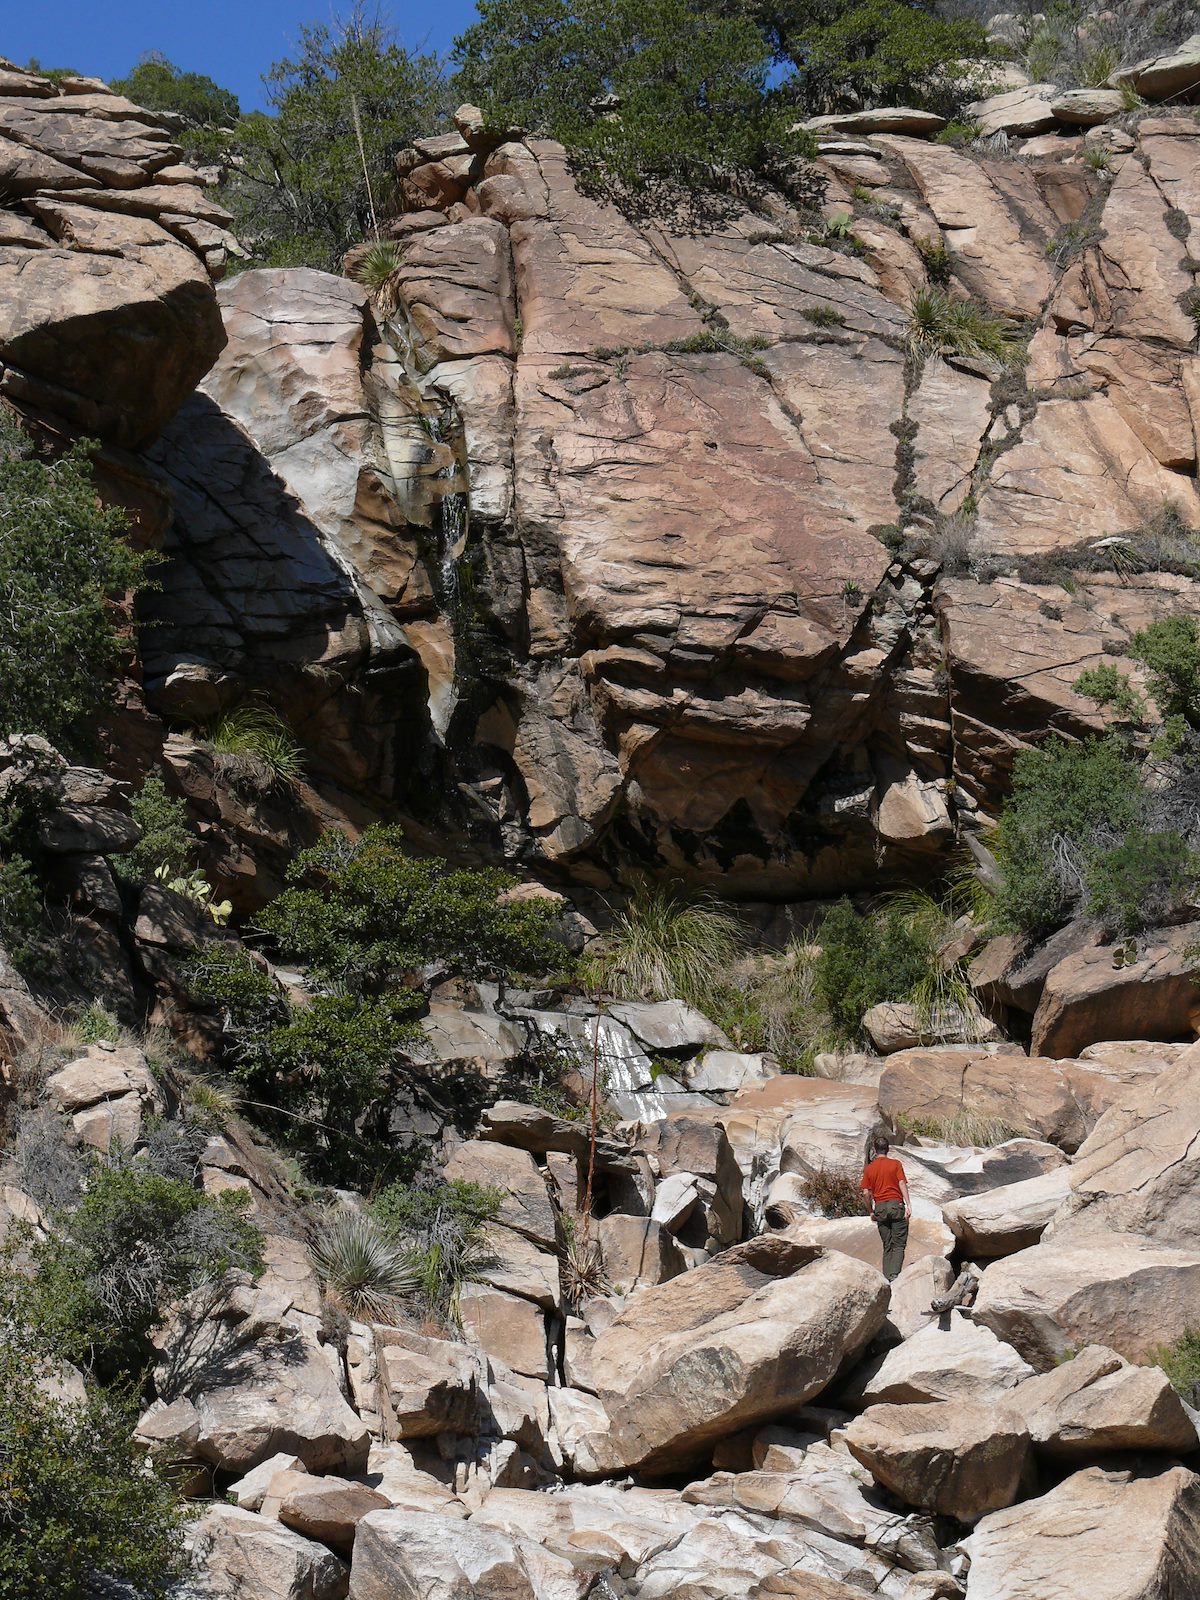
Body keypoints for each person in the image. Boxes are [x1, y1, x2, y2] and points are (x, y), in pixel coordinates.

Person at [860, 1135, 910, 1282]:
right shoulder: (895, 1164)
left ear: (875, 1150)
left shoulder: (869, 1169)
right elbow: (902, 1183)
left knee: (887, 1245)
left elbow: (865, 1193)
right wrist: (908, 1204)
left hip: (880, 1208)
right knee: (899, 1244)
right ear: (888, 1149)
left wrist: (871, 1211)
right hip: (896, 1205)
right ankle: (894, 1275)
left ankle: (886, 1277)